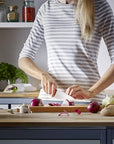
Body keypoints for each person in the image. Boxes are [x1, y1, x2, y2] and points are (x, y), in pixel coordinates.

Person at [18, 0, 114, 103]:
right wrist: (43, 75)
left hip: (88, 101)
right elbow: (24, 58)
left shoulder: (99, 6)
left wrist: (90, 92)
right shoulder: (47, 8)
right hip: (51, 99)